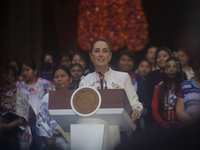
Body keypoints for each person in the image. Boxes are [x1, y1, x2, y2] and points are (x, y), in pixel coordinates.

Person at [79, 39, 143, 121]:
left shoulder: (123, 77)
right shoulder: (85, 80)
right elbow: (79, 108)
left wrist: (136, 110)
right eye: (97, 51)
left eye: (105, 51)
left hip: (117, 128)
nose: (101, 54)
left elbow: (136, 104)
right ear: (91, 56)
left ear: (110, 56)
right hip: (92, 126)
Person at [16, 59, 55, 150]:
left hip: (43, 124)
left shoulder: (46, 85)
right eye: (23, 71)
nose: (25, 73)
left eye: (28, 70)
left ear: (35, 70)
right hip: (25, 125)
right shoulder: (18, 87)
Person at [0, 60, 36, 150]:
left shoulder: (16, 92)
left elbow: (24, 117)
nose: (0, 75)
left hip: (10, 135)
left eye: (2, 72)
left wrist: (8, 127)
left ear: (8, 74)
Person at [37, 65, 71, 150]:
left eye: (63, 76)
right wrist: (47, 139)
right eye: (56, 77)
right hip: (51, 139)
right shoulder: (47, 97)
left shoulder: (76, 97)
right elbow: (41, 120)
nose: (59, 79)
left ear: (70, 79)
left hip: (71, 139)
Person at [151, 57, 186, 129]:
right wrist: (165, 125)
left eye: (174, 67)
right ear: (165, 69)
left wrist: (181, 125)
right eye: (169, 67)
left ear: (179, 69)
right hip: (162, 127)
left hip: (182, 127)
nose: (171, 69)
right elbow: (155, 111)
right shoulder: (159, 87)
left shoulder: (184, 87)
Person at [143, 47, 172, 130]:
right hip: (153, 114)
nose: (161, 59)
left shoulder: (176, 75)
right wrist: (154, 105)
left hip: (173, 115)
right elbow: (145, 94)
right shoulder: (151, 75)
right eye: (158, 57)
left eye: (164, 56)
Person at [176, 59, 200, 126]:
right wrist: (193, 125)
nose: (199, 71)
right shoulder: (185, 85)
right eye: (196, 69)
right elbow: (179, 110)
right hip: (189, 128)